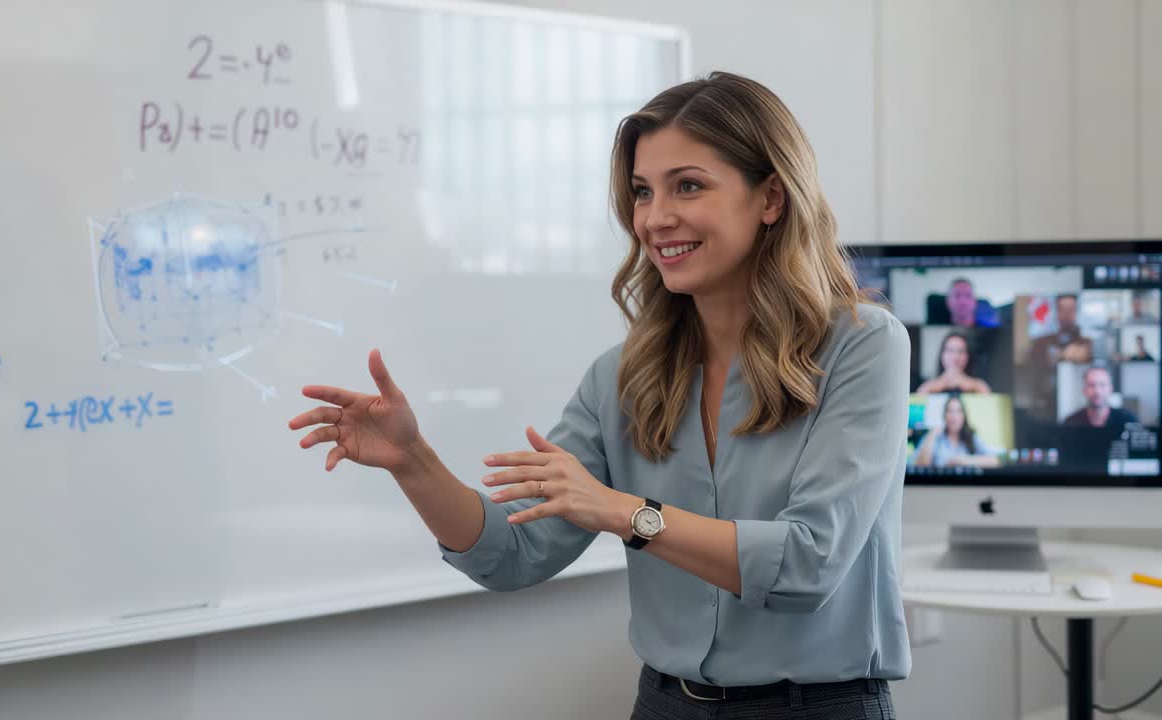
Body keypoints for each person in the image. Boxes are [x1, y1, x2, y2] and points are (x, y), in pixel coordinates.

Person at [288, 72, 907, 719]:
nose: (655, 217)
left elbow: (808, 565)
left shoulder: (863, 347)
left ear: (771, 197)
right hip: (665, 705)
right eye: (642, 192)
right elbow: (513, 553)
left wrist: (624, 512)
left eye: (687, 186)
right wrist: (413, 462)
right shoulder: (623, 377)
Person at [911, 395, 1002, 468]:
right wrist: (932, 435)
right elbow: (919, 466)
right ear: (944, 416)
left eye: (958, 411)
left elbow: (995, 461)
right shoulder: (935, 437)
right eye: (950, 411)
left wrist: (964, 461)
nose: (954, 416)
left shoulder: (971, 437)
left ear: (963, 416)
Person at [1062, 366, 1137, 431]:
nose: (1097, 391)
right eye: (1092, 385)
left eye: (1102, 385)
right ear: (1084, 390)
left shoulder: (1128, 421)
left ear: (1110, 389)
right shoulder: (1071, 423)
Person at [916, 331, 992, 394]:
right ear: (942, 355)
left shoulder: (979, 386)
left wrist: (972, 386)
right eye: (950, 350)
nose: (955, 357)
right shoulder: (927, 387)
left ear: (967, 356)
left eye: (960, 351)